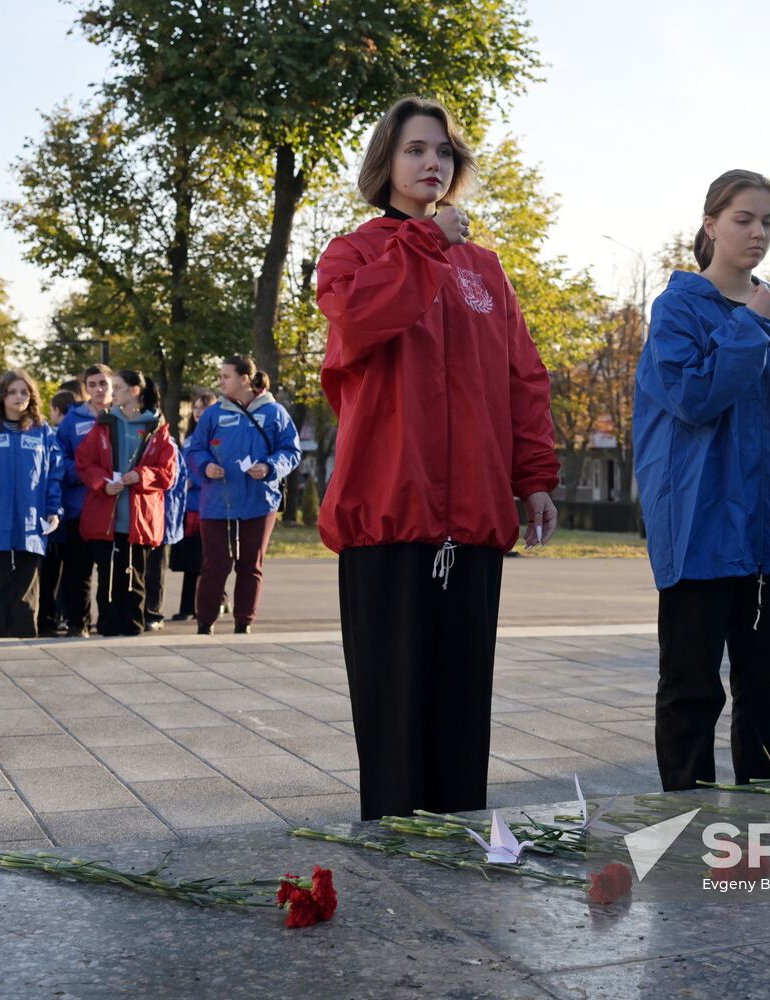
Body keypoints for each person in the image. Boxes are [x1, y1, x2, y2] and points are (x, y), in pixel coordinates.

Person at [315, 96, 558, 820]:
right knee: (392, 713)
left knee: (460, 710)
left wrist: (535, 477)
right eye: (416, 149)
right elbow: (360, 323)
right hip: (389, 516)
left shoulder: (484, 268)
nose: (432, 163)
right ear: (385, 163)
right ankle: (393, 847)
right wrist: (422, 244)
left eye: (444, 152)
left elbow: (522, 377)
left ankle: (459, 838)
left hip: (474, 520)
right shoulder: (353, 253)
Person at [633, 169, 770, 792]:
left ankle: (761, 810)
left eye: (768, 221)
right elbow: (694, 398)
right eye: (743, 219)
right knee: (692, 689)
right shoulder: (678, 309)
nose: (757, 233)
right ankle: (686, 817)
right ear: (711, 224)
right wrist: (749, 326)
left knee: (765, 686)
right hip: (702, 531)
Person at [185, 356, 300, 635]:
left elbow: (291, 451)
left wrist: (270, 466)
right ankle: (205, 623)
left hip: (259, 501)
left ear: (244, 379)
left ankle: (244, 622)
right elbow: (194, 449)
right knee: (215, 564)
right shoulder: (213, 414)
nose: (221, 381)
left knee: (250, 564)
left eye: (226, 376)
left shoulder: (275, 412)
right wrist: (205, 465)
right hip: (216, 502)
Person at [0, 371, 63, 637]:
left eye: (24, 392)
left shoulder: (43, 431)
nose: (19, 398)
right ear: (2, 396)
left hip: (31, 519)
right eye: (13, 392)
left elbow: (54, 474)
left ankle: (24, 636)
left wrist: (54, 510)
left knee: (27, 584)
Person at [75, 369, 174, 636]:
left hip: (139, 519)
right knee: (107, 577)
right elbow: (84, 462)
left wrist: (142, 475)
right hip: (106, 517)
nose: (112, 392)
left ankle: (133, 628)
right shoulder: (105, 424)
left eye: (117, 387)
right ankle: (107, 627)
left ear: (134, 391)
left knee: (134, 576)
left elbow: (167, 473)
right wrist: (103, 483)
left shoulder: (157, 428)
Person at [57, 365, 114, 636]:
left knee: (108, 570)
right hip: (79, 506)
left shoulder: (122, 415)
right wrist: (86, 474)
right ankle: (78, 623)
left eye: (103, 383)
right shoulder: (72, 418)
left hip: (111, 507)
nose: (99, 389)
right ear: (86, 388)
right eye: (92, 384)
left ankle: (108, 621)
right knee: (77, 571)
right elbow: (61, 457)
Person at [169, 388, 216, 621]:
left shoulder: (215, 437)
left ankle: (197, 605)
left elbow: (208, 469)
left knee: (202, 560)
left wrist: (193, 481)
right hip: (187, 508)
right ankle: (191, 604)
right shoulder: (189, 439)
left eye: (203, 407)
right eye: (195, 408)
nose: (198, 412)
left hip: (205, 506)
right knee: (190, 561)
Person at [37, 389, 78, 635]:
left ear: (57, 410)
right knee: (70, 573)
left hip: (56, 514)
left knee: (50, 572)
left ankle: (47, 619)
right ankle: (65, 617)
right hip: (72, 511)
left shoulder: (55, 434)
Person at [142, 418, 187, 632]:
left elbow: (174, 485)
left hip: (160, 517)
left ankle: (152, 611)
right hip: (141, 517)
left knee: (155, 568)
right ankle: (139, 609)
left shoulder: (169, 445)